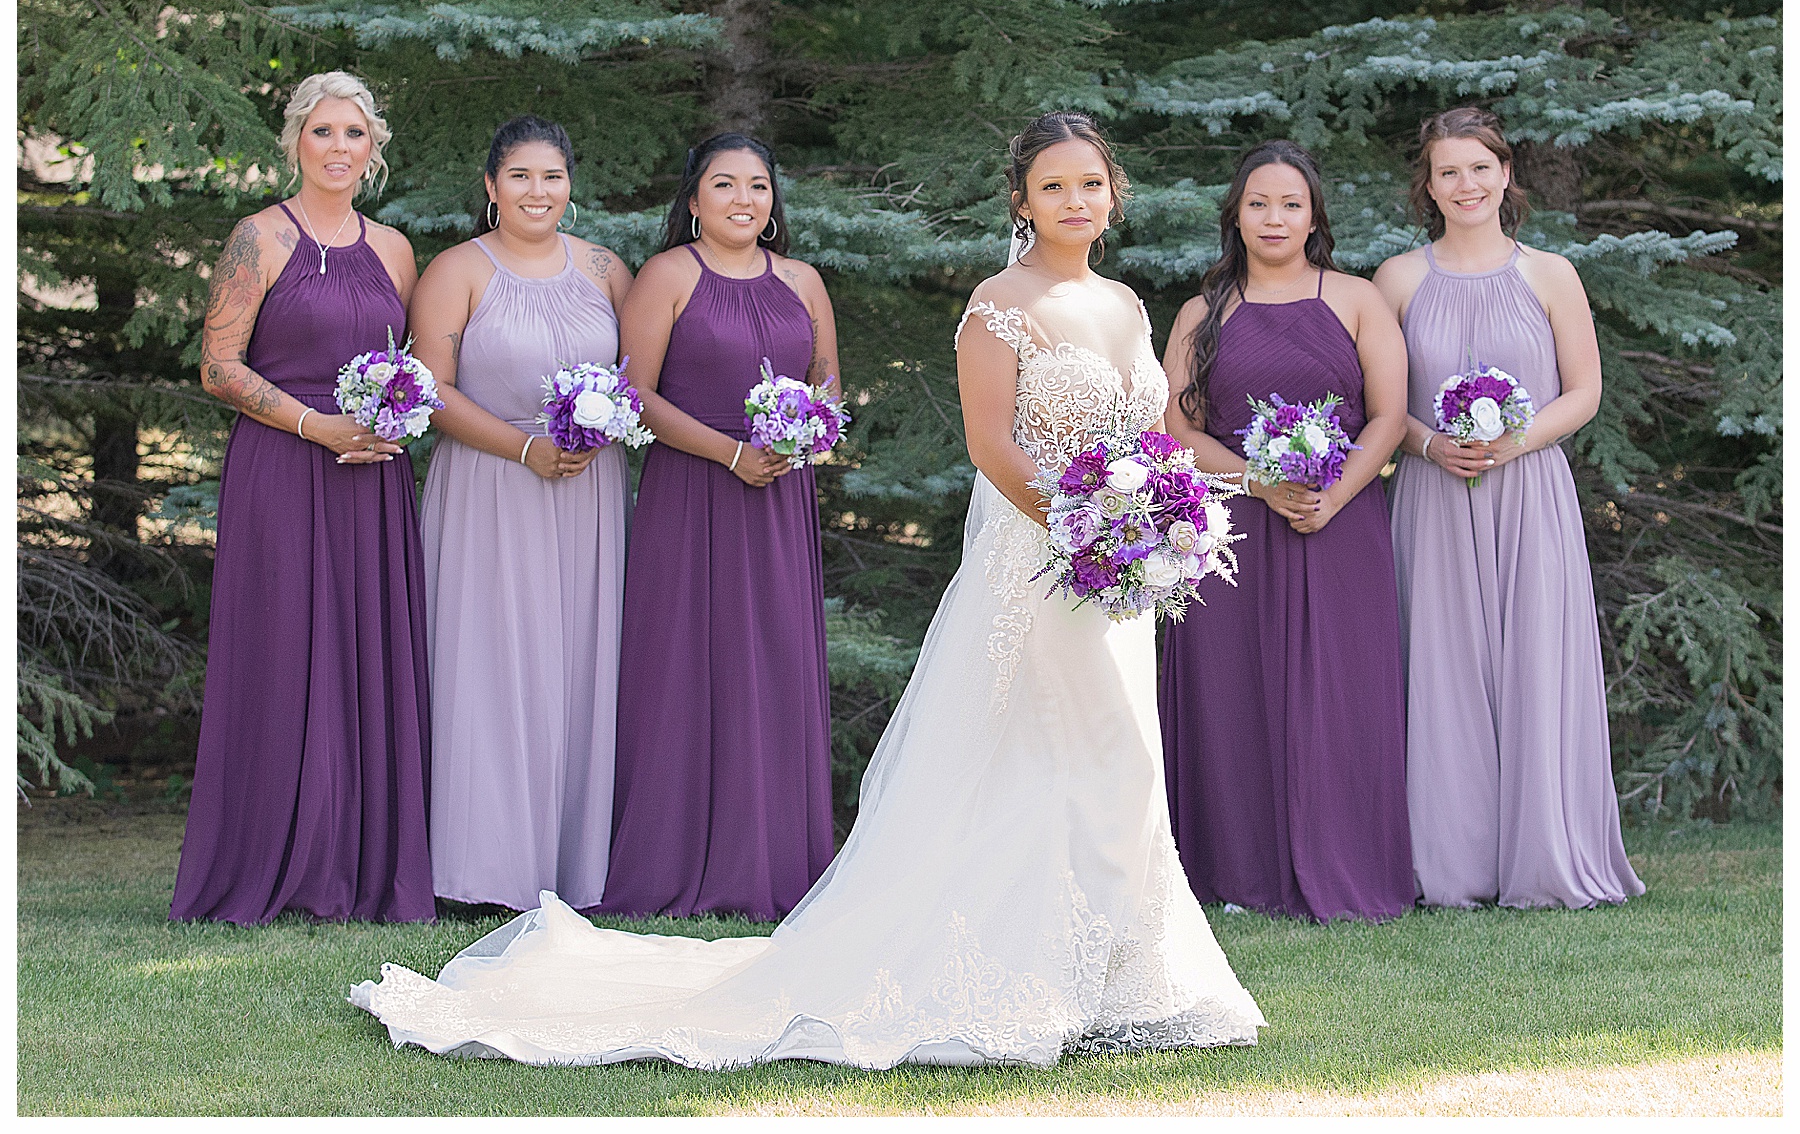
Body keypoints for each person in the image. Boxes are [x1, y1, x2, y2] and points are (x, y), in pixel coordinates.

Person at [351, 111, 1264, 1064]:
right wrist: (1090, 530)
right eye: (1053, 187)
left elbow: (1152, 428)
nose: (1075, 202)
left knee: (1120, 758)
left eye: (1090, 185)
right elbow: (992, 447)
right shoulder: (999, 302)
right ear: (1021, 202)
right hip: (1040, 566)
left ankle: (1125, 974)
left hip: (1117, 579)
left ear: (1113, 196)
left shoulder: (1124, 303)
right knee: (1039, 754)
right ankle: (1007, 966)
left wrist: (1160, 518)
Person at [171, 72, 430, 923]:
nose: (339, 147)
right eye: (324, 131)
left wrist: (395, 416)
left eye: (354, 133)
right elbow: (218, 365)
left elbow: (415, 367)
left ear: (373, 148)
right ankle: (271, 862)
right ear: (296, 143)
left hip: (372, 479)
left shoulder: (393, 249)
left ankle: (361, 867)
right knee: (284, 653)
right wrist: (313, 425)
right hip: (284, 469)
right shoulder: (260, 238)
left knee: (363, 656)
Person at [1375, 106, 1645, 910]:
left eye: (1480, 167)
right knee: (1442, 666)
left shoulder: (1551, 274)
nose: (1467, 184)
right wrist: (1427, 444)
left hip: (1530, 491)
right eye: (1448, 171)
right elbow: (1379, 402)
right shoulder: (1397, 279)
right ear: (1427, 184)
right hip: (1432, 493)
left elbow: (1586, 390)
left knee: (1537, 664)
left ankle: (1544, 858)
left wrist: (1514, 442)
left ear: (1506, 174)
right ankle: (1449, 867)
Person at [1159, 140, 1414, 922]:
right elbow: (1175, 426)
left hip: (1341, 520)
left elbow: (1390, 416)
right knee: (1231, 692)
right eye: (1259, 202)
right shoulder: (1202, 314)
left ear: (1314, 216)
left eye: (1291, 203)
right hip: (1232, 527)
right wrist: (1260, 484)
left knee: (1342, 693)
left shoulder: (1357, 299)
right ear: (1236, 214)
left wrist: (1334, 493)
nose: (1275, 217)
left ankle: (1349, 865)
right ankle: (1238, 872)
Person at [599, 133, 837, 919]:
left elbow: (827, 385)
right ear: (694, 200)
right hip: (691, 494)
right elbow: (635, 393)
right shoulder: (670, 274)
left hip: (777, 502)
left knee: (771, 664)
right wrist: (731, 452)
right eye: (725, 185)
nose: (744, 199)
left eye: (758, 186)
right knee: (684, 665)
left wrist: (804, 435)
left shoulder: (803, 281)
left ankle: (773, 861)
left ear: (774, 203)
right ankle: (674, 858)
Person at [407, 116, 634, 911]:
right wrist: (523, 448)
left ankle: (572, 867)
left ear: (570, 185)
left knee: (576, 665)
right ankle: (479, 871)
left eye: (552, 177)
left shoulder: (606, 268)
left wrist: (600, 432)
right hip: (490, 486)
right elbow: (429, 391)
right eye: (520, 177)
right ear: (491, 186)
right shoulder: (456, 270)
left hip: (588, 493)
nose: (538, 192)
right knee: (490, 663)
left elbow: (641, 376)